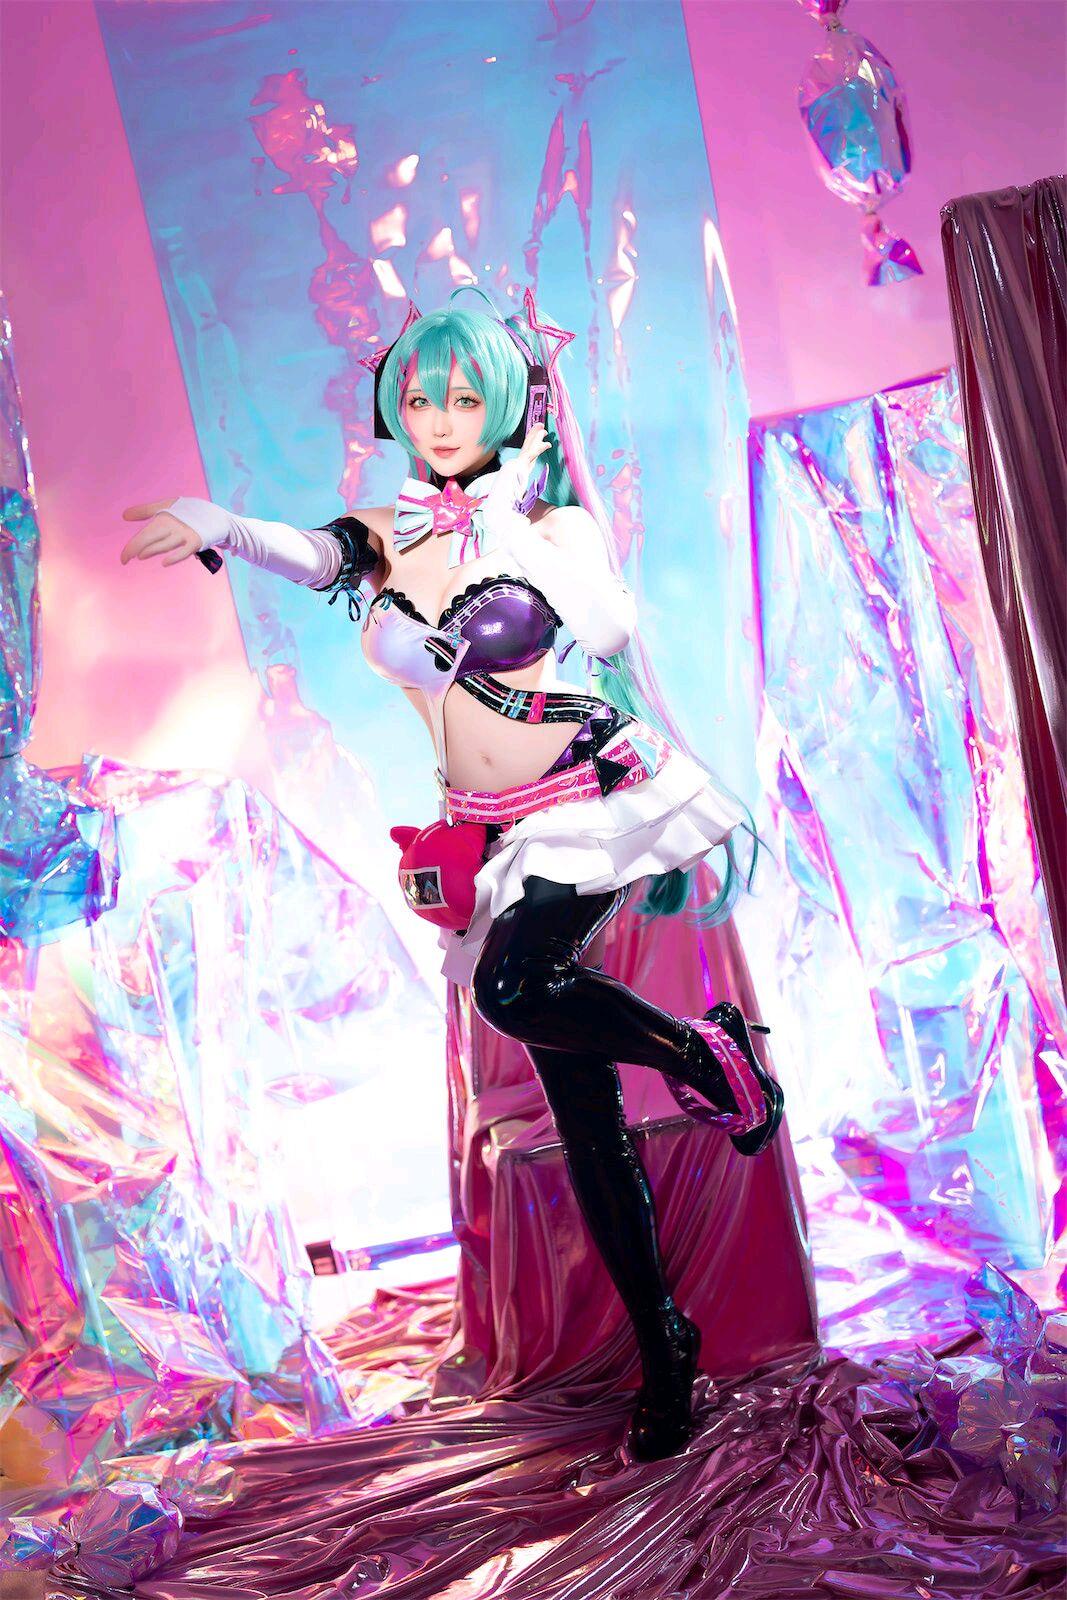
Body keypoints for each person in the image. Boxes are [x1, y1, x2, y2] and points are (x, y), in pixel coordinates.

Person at [119, 286, 784, 1462]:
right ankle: (663, 1344)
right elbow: (310, 552)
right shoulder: (389, 529)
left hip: (583, 796)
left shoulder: (553, 528)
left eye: (464, 397)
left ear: (508, 406)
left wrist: (508, 518)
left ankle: (701, 1054)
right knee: (581, 1109)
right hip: (478, 827)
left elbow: (607, 630)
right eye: (419, 396)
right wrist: (217, 520)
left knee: (515, 988)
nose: (436, 417)